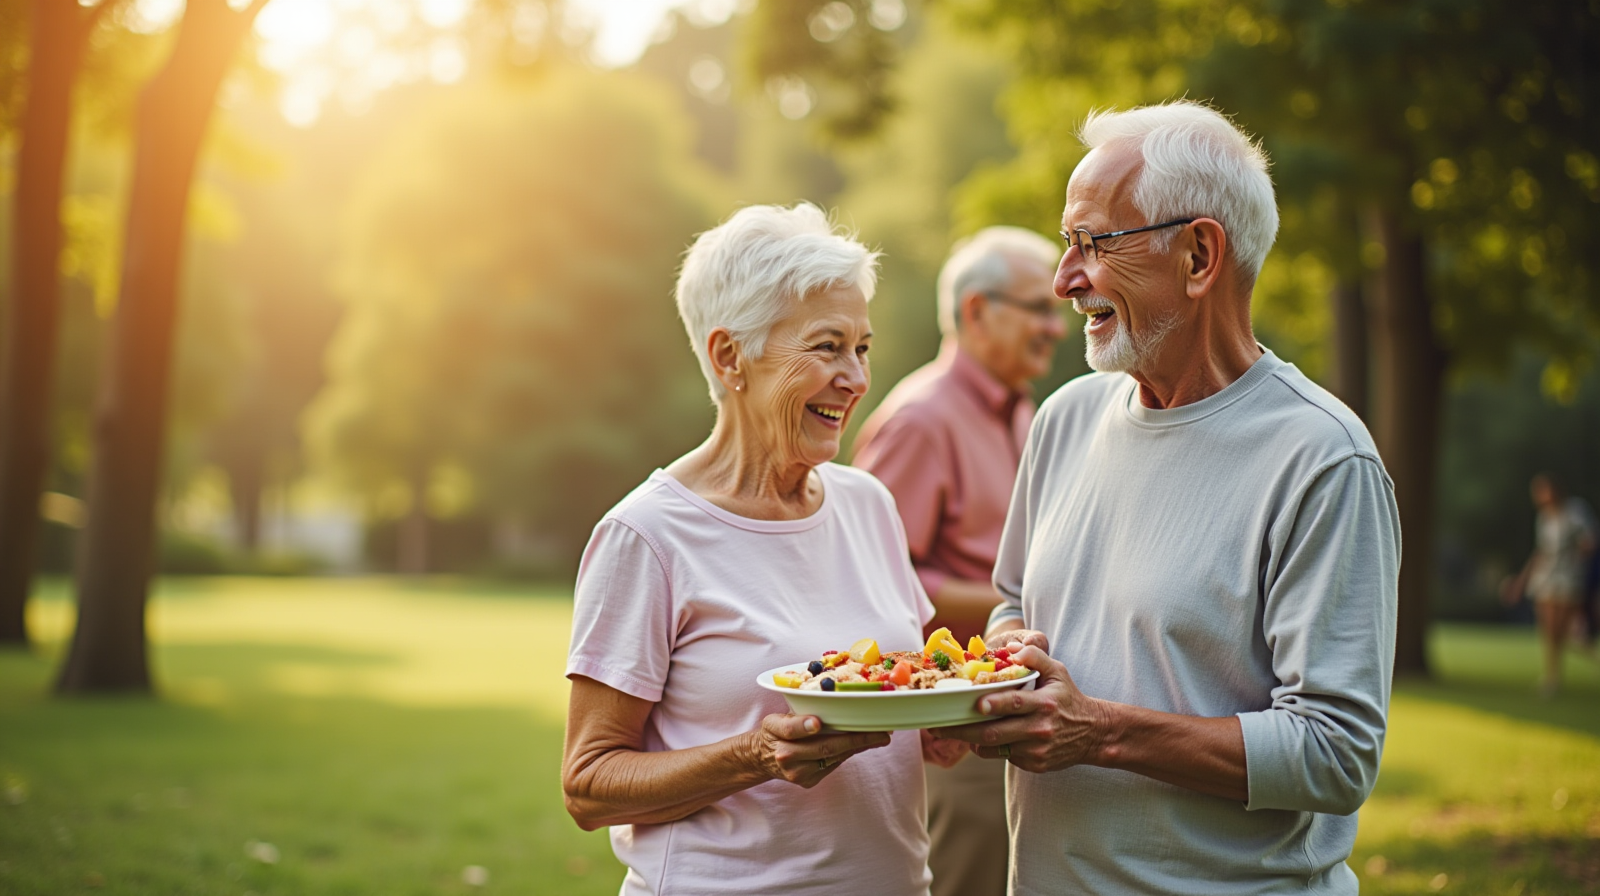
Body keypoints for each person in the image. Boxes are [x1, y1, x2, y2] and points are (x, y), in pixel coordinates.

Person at [933, 101, 1402, 895]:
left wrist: (1101, 733)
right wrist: (1004, 677)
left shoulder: (1323, 458)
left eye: (1094, 243)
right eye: (1065, 243)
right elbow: (1015, 600)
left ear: (1198, 255)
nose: (1063, 279)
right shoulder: (1065, 418)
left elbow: (1335, 753)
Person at [562, 203, 959, 896]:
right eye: (827, 346)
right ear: (729, 356)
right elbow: (591, 784)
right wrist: (759, 754)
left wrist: (944, 722)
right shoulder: (648, 536)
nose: (857, 379)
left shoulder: (868, 506)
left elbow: (891, 696)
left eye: (862, 348)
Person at [853, 227, 1064, 896]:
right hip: (957, 726)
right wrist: (1021, 602)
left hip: (1015, 707)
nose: (1056, 327)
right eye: (1038, 307)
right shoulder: (922, 420)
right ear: (977, 311)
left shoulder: (1024, 413)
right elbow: (874, 582)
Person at [1504, 473, 1596, 694]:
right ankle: (1552, 677)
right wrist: (1522, 581)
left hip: (1569, 576)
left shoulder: (1576, 512)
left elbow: (1589, 542)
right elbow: (1541, 551)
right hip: (1546, 577)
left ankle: (1584, 653)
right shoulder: (1544, 518)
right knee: (1549, 630)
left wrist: (1581, 551)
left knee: (1564, 631)